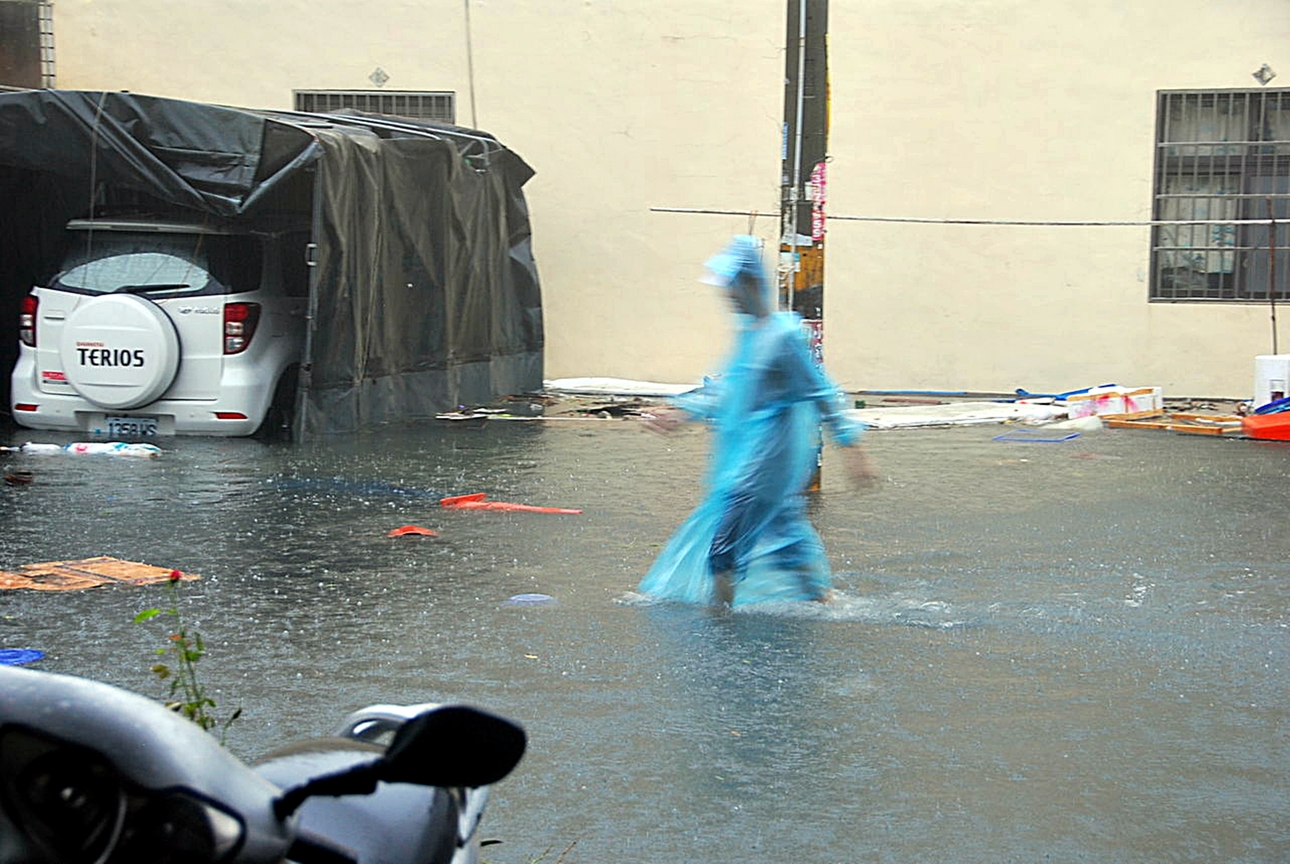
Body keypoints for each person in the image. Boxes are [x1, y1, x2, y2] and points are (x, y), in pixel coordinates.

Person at [638, 235, 877, 607]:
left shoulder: (782, 336)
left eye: (733, 287)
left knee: (724, 547)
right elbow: (729, 391)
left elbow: (821, 391)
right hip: (752, 458)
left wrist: (852, 448)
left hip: (761, 463)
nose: (728, 297)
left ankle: (721, 622)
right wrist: (680, 413)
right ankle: (825, 602)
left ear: (751, 283)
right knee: (785, 534)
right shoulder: (752, 335)